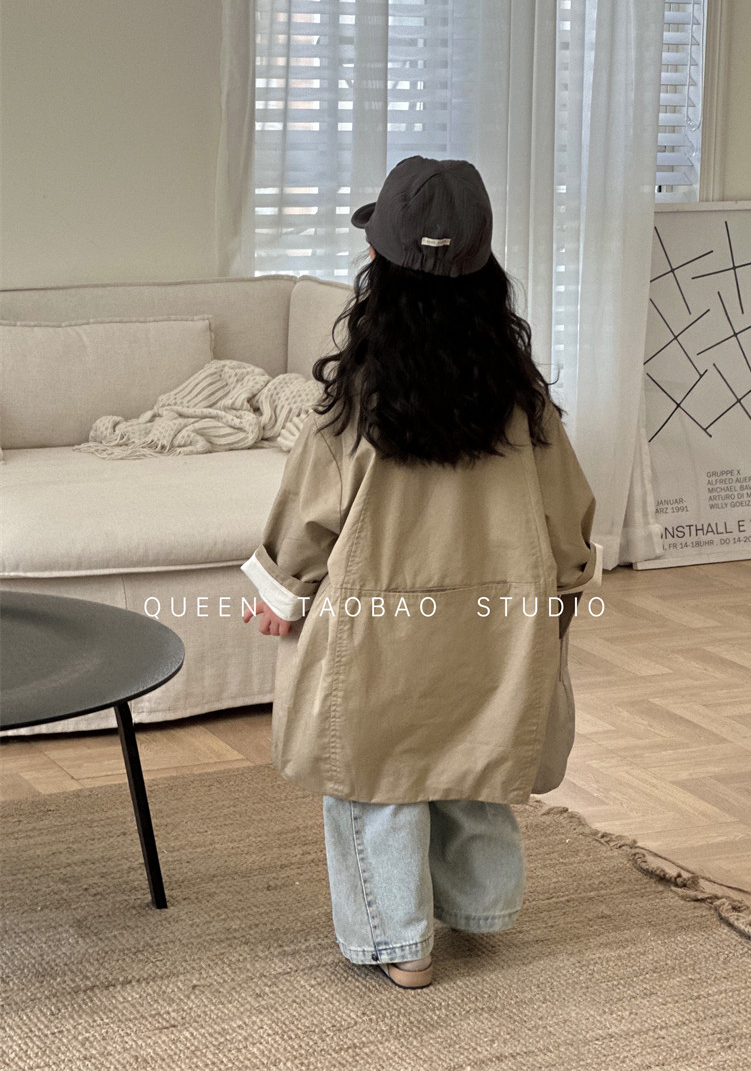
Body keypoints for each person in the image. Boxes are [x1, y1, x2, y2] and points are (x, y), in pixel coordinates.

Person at [241, 156, 597, 990]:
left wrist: (282, 589)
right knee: (473, 757)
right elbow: (567, 510)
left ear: (377, 265)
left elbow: (310, 510)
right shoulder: (522, 400)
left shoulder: (359, 399)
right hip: (496, 625)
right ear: (486, 269)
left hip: (377, 628)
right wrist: (566, 593)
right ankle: (478, 908)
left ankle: (400, 943)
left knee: (377, 775)